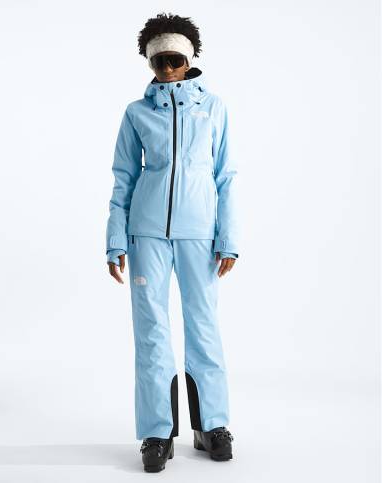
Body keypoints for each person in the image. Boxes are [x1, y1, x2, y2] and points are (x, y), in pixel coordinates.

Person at [105, 12, 240, 472]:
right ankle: (157, 432)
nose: (166, 68)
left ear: (190, 59)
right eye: (158, 61)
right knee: (152, 332)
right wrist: (115, 239)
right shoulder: (136, 113)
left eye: (174, 60)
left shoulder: (214, 108)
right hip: (146, 234)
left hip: (200, 233)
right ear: (149, 62)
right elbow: (123, 177)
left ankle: (212, 426)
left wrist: (229, 238)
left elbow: (226, 176)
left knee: (203, 327)